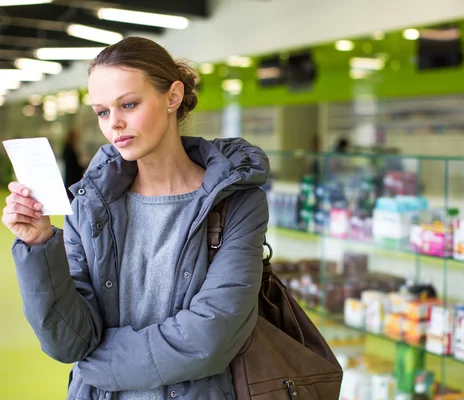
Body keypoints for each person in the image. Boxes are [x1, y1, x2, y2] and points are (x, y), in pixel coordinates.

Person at [2, 37, 269, 400]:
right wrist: (38, 243)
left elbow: (211, 337)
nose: (115, 124)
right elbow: (69, 343)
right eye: (103, 112)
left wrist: (99, 365)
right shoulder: (89, 204)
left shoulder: (237, 203)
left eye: (128, 104)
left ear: (173, 97)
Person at [62, 127, 84, 202]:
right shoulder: (69, 151)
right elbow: (74, 168)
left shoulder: (68, 150)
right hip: (72, 181)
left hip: (70, 180)